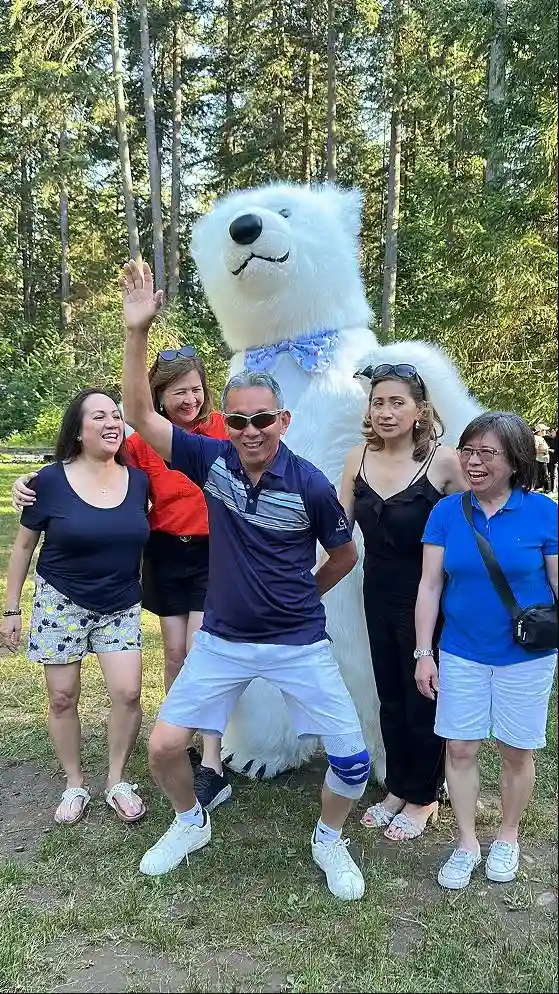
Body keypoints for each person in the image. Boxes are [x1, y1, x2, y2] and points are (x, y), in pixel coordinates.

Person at [120, 259, 369, 901]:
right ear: (223, 423)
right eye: (239, 420)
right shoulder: (211, 462)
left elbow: (342, 555)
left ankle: (329, 838)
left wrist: (302, 596)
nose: (251, 431)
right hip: (224, 640)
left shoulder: (311, 484)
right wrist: (136, 332)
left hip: (297, 642)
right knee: (164, 750)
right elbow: (142, 417)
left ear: (282, 421)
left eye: (263, 419)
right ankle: (189, 820)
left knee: (352, 762)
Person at [11, 353, 232, 812]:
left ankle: (212, 761)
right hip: (166, 555)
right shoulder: (141, 446)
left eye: (195, 388)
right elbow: (88, 470)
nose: (189, 398)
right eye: (178, 391)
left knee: (201, 655)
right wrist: (30, 483)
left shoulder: (221, 430)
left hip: (213, 554)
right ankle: (180, 744)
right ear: (160, 397)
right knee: (173, 654)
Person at [415, 411, 557, 890]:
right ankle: (467, 842)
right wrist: (423, 652)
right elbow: (430, 586)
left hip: (526, 655)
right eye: (467, 451)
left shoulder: (542, 513)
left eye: (486, 453)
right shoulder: (446, 512)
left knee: (516, 751)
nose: (473, 462)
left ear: (514, 461)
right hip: (461, 651)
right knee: (459, 747)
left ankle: (508, 836)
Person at [0, 389, 150, 825]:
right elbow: (23, 546)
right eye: (99, 416)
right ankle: (74, 782)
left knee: (127, 692)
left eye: (117, 416)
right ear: (78, 430)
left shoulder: (138, 480)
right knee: (63, 698)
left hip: (120, 603)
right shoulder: (47, 482)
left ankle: (117, 780)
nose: (112, 423)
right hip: (60, 600)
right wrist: (11, 610)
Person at [339, 363, 466, 841]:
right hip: (377, 593)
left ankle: (424, 796)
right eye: (378, 402)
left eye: (398, 402)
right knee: (389, 695)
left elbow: (481, 522)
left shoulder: (444, 462)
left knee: (423, 697)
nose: (386, 411)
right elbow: (336, 527)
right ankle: (398, 785)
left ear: (420, 410)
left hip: (431, 598)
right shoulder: (357, 459)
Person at [533, 424, 550, 493]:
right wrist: (544, 451)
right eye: (544, 430)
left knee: (544, 475)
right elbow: (534, 449)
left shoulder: (540, 438)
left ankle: (544, 489)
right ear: (540, 431)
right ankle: (546, 489)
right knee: (544, 475)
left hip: (542, 459)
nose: (545, 432)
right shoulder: (536, 438)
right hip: (539, 459)